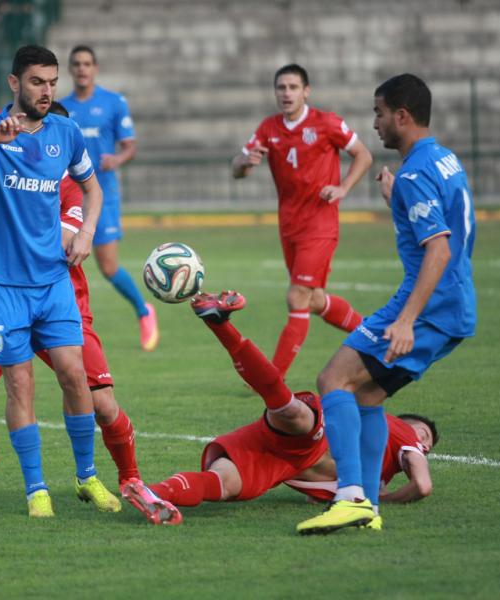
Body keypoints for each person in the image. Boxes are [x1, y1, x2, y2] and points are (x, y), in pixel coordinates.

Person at [0, 45, 114, 519]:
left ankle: (87, 476)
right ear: (14, 84)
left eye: (52, 82)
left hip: (51, 281)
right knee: (20, 382)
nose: (47, 90)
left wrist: (89, 232)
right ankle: (36, 489)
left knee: (75, 375)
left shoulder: (65, 132)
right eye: (38, 82)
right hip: (1, 285)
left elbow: (93, 189)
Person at [294, 73, 476, 535]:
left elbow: (439, 248)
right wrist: (399, 198)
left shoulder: (414, 173)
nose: (374, 124)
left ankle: (350, 495)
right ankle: (368, 506)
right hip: (454, 302)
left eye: (378, 113)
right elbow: (447, 225)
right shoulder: (443, 159)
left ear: (402, 116)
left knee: (333, 378)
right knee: (368, 394)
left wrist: (408, 321)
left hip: (428, 304)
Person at [0, 140, 141, 509]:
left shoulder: (67, 189)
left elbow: (55, 241)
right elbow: (0, 236)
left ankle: (131, 479)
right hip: (9, 303)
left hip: (61, 309)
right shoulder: (14, 179)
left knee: (104, 406)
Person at [122, 291, 436, 527]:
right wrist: (382, 499)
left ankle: (152, 491)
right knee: (292, 412)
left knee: (224, 484)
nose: (425, 444)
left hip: (282, 462)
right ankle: (220, 324)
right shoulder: (400, 434)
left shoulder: (373, 473)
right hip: (313, 435)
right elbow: (422, 485)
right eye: (425, 436)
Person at [232, 64, 373, 380]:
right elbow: (236, 169)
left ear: (306, 91)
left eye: (293, 87)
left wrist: (343, 188)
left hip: (320, 224)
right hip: (289, 226)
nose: (286, 93)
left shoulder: (326, 123)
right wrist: (243, 163)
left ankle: (272, 377)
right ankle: (375, 338)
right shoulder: (268, 128)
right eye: (281, 87)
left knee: (297, 296)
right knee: (314, 300)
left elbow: (363, 155)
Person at [60, 45, 159, 352]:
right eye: (76, 63)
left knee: (107, 266)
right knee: (61, 259)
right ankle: (69, 324)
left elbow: (129, 145)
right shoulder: (61, 108)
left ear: (95, 68)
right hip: (67, 195)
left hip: (102, 194)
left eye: (87, 63)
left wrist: (117, 159)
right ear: (70, 68)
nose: (81, 68)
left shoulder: (114, 102)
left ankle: (144, 310)